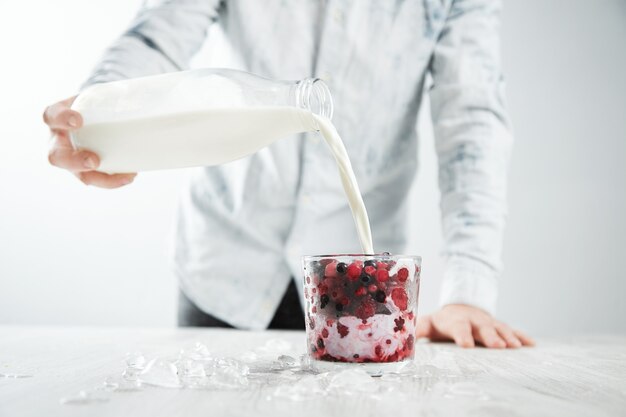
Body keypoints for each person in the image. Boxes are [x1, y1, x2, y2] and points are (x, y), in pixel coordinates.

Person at [43, 0, 533, 348]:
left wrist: (470, 290)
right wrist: (100, 113)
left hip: (360, 290)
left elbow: (472, 117)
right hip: (226, 262)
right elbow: (159, 32)